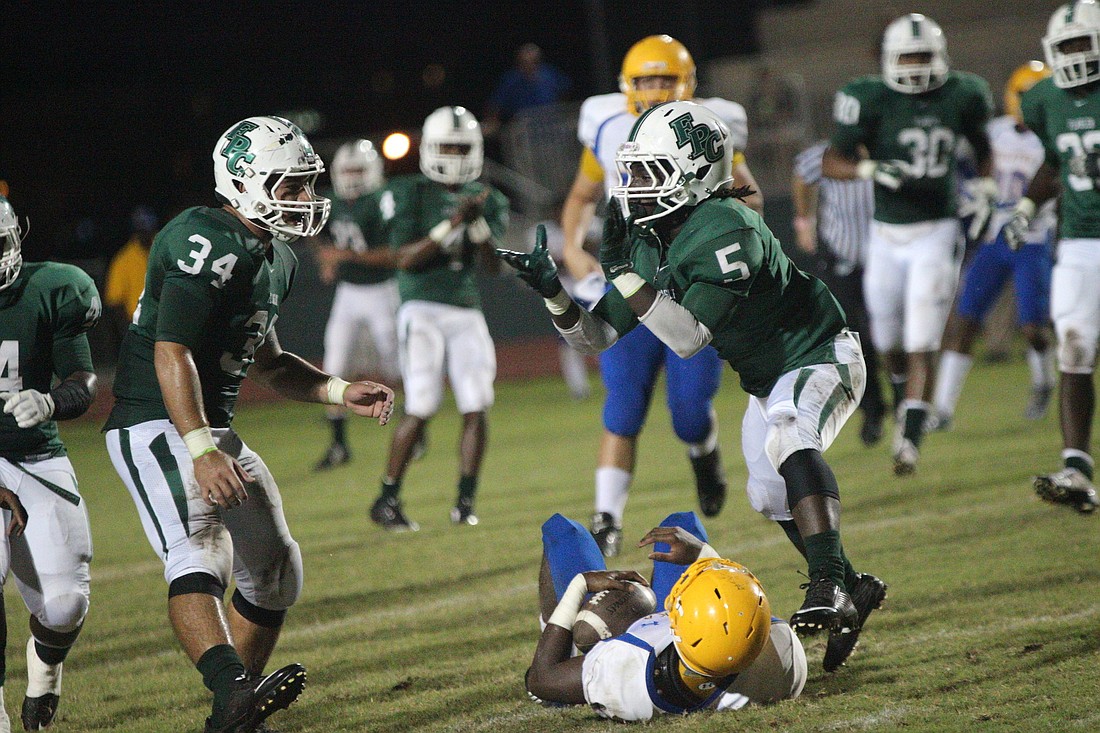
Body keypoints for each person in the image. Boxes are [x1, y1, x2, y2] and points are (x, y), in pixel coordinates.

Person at [499, 100, 887, 670]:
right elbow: (596, 335)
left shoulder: (726, 226)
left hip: (820, 353)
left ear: (698, 172)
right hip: (768, 379)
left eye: (649, 172)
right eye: (631, 172)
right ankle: (857, 587)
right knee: (766, 492)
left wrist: (627, 275)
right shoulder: (653, 236)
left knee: (788, 437)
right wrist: (555, 292)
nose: (633, 186)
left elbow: (685, 339)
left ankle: (829, 584)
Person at [103, 116, 396, 733]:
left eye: (305, 186)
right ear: (243, 183)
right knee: (199, 549)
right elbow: (171, 350)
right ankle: (233, 689)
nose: (304, 199)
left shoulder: (276, 259)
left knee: (275, 568)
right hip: (155, 421)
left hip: (207, 427)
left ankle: (234, 713)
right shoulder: (200, 236)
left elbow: (267, 364)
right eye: (288, 186)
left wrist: (342, 390)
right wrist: (202, 449)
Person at [558, 34, 764, 556]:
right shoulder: (607, 126)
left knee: (690, 413)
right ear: (628, 86)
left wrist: (734, 245)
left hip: (692, 286)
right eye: (645, 80)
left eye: (664, 79)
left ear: (687, 84)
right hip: (632, 280)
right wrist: (573, 247)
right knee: (623, 407)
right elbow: (582, 196)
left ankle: (704, 454)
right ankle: (607, 517)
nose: (653, 90)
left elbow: (748, 194)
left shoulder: (707, 128)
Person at [821, 13, 994, 475]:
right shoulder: (869, 98)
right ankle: (903, 397)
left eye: (923, 56)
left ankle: (909, 440)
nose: (915, 66)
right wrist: (867, 169)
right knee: (887, 341)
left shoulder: (963, 94)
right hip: (885, 235)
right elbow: (831, 158)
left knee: (922, 337)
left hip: (937, 229)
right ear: (889, 61)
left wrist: (987, 186)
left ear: (939, 58)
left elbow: (983, 146)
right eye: (907, 57)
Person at [368, 106, 508, 531]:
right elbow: (406, 260)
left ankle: (465, 502)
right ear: (430, 147)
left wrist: (479, 225)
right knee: (423, 402)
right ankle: (387, 497)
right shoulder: (411, 191)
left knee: (477, 402)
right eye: (447, 145)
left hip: (465, 307)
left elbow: (493, 267)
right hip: (421, 305)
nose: (454, 153)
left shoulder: (489, 198)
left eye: (462, 146)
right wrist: (451, 224)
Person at [526, 512, 806, 719]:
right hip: (682, 657)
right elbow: (730, 617)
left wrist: (580, 585)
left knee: (563, 532)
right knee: (682, 524)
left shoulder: (626, 669)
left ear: (674, 623)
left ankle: (570, 647)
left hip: (636, 650)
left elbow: (540, 680)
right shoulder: (784, 653)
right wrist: (704, 554)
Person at [0, 195, 96, 732]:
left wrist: (51, 401)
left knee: (65, 605)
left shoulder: (53, 287)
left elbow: (83, 381)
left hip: (35, 453)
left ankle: (45, 671)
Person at [1007, 0, 1100, 514]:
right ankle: (1077, 469)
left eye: (1081, 43)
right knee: (1074, 345)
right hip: (1082, 237)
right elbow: (1054, 162)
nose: (1073, 56)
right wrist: (1026, 206)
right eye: (1064, 47)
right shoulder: (1043, 99)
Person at [931, 62, 1058, 430]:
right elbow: (972, 160)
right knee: (965, 321)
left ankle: (1044, 381)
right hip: (994, 238)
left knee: (1033, 328)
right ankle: (941, 409)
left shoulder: (1049, 137)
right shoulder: (996, 132)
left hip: (1033, 239)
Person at [312, 139, 401, 471]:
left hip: (383, 291)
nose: (351, 177)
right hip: (348, 293)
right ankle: (338, 445)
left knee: (395, 366)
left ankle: (414, 427)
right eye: (347, 170)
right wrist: (326, 259)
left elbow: (394, 253)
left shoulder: (382, 201)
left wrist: (343, 255)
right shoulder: (332, 202)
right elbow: (313, 230)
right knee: (334, 366)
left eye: (358, 170)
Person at [792, 140, 885, 445]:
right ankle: (873, 409)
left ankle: (906, 402)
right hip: (841, 257)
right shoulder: (826, 154)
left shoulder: (888, 145)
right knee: (853, 338)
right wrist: (804, 220)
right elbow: (802, 172)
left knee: (887, 335)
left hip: (886, 257)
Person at [482, 43, 572, 137]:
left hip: (550, 129)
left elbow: (565, 92)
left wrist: (563, 116)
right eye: (524, 62)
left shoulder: (550, 75)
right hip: (523, 132)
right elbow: (495, 106)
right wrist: (492, 123)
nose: (529, 66)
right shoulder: (511, 80)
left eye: (533, 62)